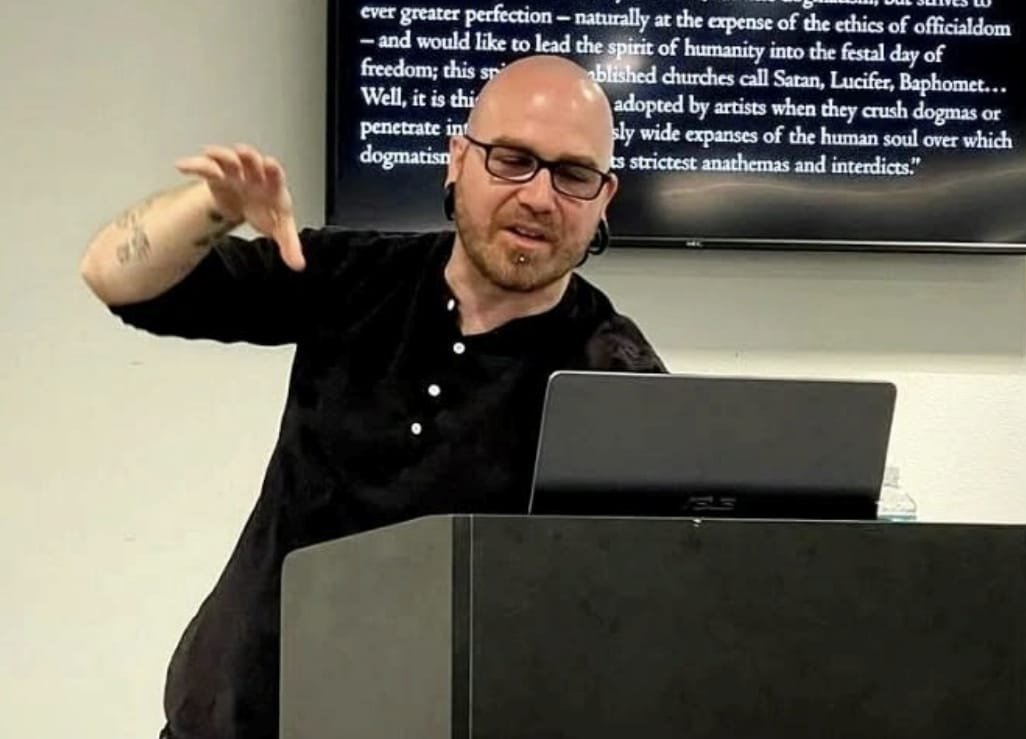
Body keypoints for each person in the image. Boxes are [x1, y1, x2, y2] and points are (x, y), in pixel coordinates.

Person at [80, 55, 666, 739]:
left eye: (572, 174)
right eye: (512, 159)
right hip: (234, 715)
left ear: (604, 196)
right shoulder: (353, 274)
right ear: (457, 161)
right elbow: (116, 278)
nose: (539, 197)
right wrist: (214, 205)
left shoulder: (613, 378)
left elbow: (637, 605)